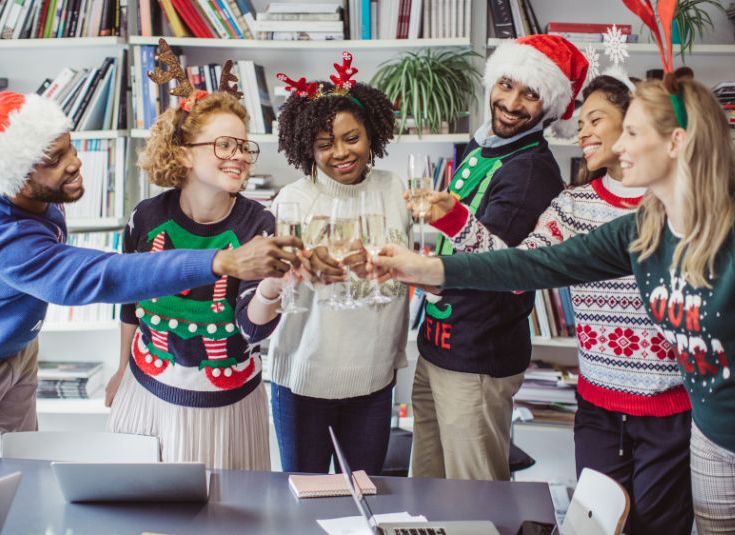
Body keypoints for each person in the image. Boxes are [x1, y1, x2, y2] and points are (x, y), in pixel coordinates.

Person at [374, 69, 735, 534]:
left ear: (675, 142)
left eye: (627, 130)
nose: (616, 146)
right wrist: (426, 268)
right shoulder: (639, 229)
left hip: (688, 418)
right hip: (657, 419)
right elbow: (530, 266)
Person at [0, 91, 300, 467]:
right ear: (16, 178)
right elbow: (106, 277)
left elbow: (254, 322)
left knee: (18, 460)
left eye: (70, 147)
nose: (76, 162)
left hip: (17, 347)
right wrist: (222, 261)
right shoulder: (3, 240)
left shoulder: (39, 195)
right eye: (55, 158)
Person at [407, 34, 588, 481]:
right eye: (506, 84)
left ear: (549, 107)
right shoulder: (486, 144)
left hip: (478, 357)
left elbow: (501, 265)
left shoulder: (530, 171)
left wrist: (425, 268)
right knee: (426, 489)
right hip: (439, 346)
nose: (512, 102)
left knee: (476, 497)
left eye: (531, 94)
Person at [103, 80, 289, 467]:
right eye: (224, 145)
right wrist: (122, 368)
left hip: (227, 406)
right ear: (184, 154)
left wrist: (272, 288)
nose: (238, 156)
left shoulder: (259, 223)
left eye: (244, 146)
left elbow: (252, 331)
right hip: (147, 391)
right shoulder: (146, 217)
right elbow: (128, 302)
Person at [267, 52, 410, 475]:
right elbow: (274, 286)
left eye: (352, 138)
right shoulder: (294, 199)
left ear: (372, 135)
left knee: (365, 500)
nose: (341, 153)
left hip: (374, 375)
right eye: (324, 144)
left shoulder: (394, 189)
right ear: (307, 148)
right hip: (303, 378)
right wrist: (304, 266)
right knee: (306, 502)